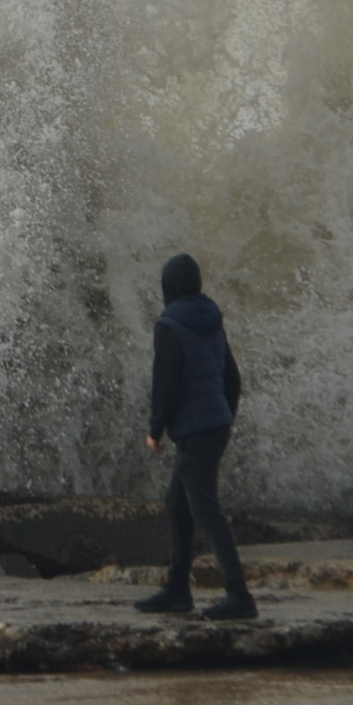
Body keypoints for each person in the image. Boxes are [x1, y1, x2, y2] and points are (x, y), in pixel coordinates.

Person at [136, 252, 258, 620]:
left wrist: (156, 429)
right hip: (213, 424)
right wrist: (225, 422)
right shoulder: (212, 320)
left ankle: (239, 594)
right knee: (178, 503)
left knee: (206, 510)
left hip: (195, 428)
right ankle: (177, 588)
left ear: (168, 286)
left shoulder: (169, 325)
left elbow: (166, 385)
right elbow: (231, 378)